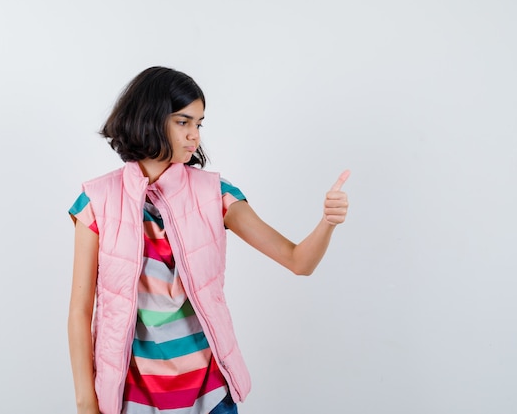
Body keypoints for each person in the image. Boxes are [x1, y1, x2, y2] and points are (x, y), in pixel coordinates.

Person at [68, 66, 350, 414]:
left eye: (199, 124)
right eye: (183, 122)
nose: (194, 136)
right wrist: (85, 403)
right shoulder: (96, 202)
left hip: (210, 397)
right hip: (131, 400)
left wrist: (327, 222)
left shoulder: (216, 194)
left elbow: (298, 261)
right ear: (150, 119)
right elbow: (81, 310)